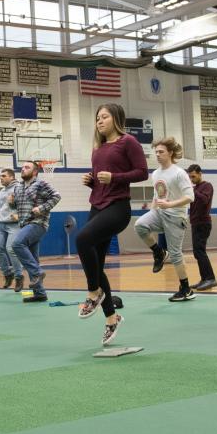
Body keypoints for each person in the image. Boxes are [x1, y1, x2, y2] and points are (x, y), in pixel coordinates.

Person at [77, 103, 148, 346]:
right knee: (97, 264)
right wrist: (92, 181)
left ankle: (92, 293)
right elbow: (102, 179)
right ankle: (111, 319)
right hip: (97, 204)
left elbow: (142, 172)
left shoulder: (128, 142)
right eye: (97, 117)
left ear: (115, 118)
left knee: (82, 239)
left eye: (104, 116)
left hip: (117, 208)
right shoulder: (98, 148)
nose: (100, 121)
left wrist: (115, 177)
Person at [134, 138, 196, 302]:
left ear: (170, 153)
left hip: (176, 216)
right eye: (156, 152)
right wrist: (152, 211)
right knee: (140, 225)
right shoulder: (155, 174)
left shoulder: (179, 173)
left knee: (176, 254)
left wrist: (170, 204)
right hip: (159, 213)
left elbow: (190, 197)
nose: (158, 155)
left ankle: (186, 289)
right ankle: (159, 252)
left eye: (161, 152)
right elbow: (157, 195)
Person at [11, 161, 62, 304]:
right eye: (22, 167)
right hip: (24, 225)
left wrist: (42, 208)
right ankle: (40, 293)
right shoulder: (18, 187)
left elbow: (56, 196)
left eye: (27, 167)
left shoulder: (41, 184)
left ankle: (37, 273)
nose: (23, 169)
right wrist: (11, 203)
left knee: (17, 244)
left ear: (34, 172)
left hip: (37, 223)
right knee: (33, 258)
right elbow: (18, 205)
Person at [0, 168, 24, 291]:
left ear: (11, 177)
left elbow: (25, 205)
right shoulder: (1, 192)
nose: (1, 178)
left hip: (14, 224)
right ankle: (7, 274)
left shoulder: (19, 188)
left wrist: (15, 206)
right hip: (2, 224)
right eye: (1, 176)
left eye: (4, 176)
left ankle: (19, 277)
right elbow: (4, 208)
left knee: (11, 249)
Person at [186, 165, 217, 290]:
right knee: (197, 252)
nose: (191, 179)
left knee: (200, 251)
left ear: (200, 174)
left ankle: (210, 278)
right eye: (189, 177)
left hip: (203, 223)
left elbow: (205, 200)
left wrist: (193, 190)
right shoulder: (194, 188)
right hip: (195, 223)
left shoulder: (207, 186)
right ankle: (204, 279)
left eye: (193, 176)